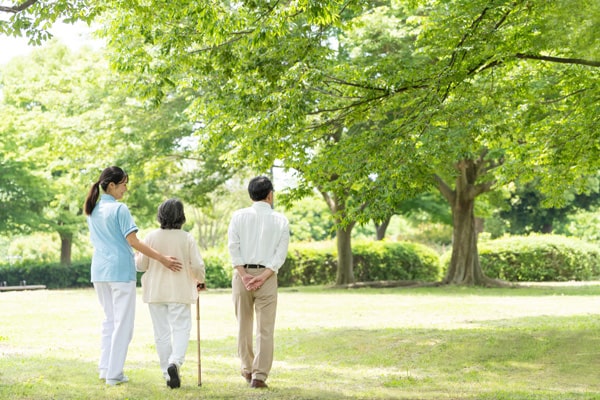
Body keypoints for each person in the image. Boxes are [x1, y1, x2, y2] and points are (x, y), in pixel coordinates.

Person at [84, 166, 182, 386]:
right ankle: (114, 374)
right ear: (112, 185)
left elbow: (118, 241)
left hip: (99, 272)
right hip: (119, 272)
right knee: (123, 325)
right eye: (124, 184)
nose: (125, 189)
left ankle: (105, 368)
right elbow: (134, 242)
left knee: (109, 321)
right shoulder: (119, 209)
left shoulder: (94, 209)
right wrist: (163, 258)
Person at [135, 198, 206, 389]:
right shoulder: (186, 237)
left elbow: (141, 266)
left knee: (162, 333)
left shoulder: (150, 237)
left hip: (156, 291)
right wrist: (200, 280)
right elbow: (197, 265)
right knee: (181, 328)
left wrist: (136, 257)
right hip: (179, 290)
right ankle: (175, 362)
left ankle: (168, 374)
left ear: (160, 215)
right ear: (181, 216)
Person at [227, 176, 290, 389]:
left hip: (241, 274)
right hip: (267, 276)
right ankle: (259, 376)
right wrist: (262, 277)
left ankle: (247, 369)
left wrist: (244, 275)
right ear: (270, 195)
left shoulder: (238, 216)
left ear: (250, 194)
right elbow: (279, 255)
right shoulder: (281, 220)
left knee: (243, 325)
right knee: (265, 328)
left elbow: (233, 247)